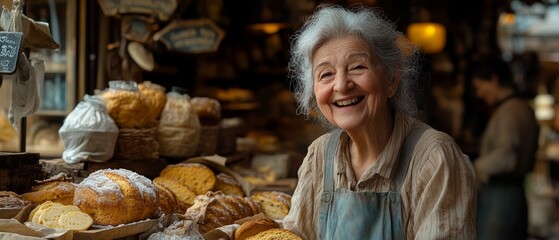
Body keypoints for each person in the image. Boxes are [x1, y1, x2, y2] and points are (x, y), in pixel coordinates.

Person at [282, 4, 477, 240]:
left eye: (357, 67)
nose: (342, 85)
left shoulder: (434, 158)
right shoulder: (319, 156)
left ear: (392, 80)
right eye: (326, 74)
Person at [472, 55, 539, 240]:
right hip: (514, 196)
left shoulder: (509, 111)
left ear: (493, 80)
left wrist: (472, 168)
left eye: (479, 87)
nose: (478, 94)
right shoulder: (524, 108)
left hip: (500, 199)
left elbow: (506, 157)